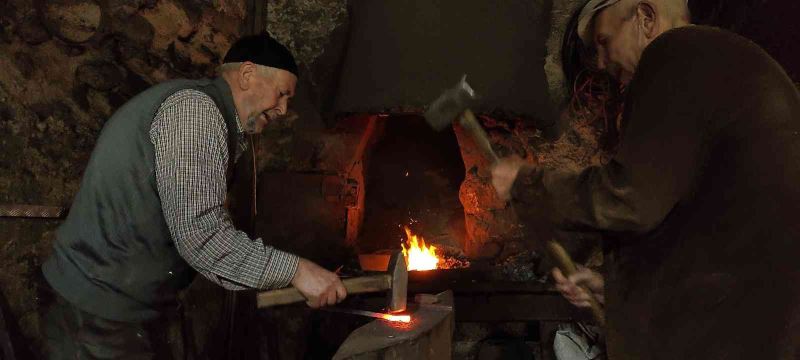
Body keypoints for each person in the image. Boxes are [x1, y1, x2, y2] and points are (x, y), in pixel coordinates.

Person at [492, 0, 800, 358]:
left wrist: (528, 184)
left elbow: (629, 199)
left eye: (605, 41)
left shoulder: (677, 54)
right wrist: (616, 290)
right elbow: (698, 231)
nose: (602, 62)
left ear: (645, 18)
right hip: (751, 320)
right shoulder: (714, 65)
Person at [41, 33, 347, 359]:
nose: (284, 109)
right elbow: (201, 236)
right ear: (247, 75)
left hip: (112, 307)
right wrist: (299, 271)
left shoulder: (209, 115)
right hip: (96, 313)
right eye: (282, 94)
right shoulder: (195, 113)